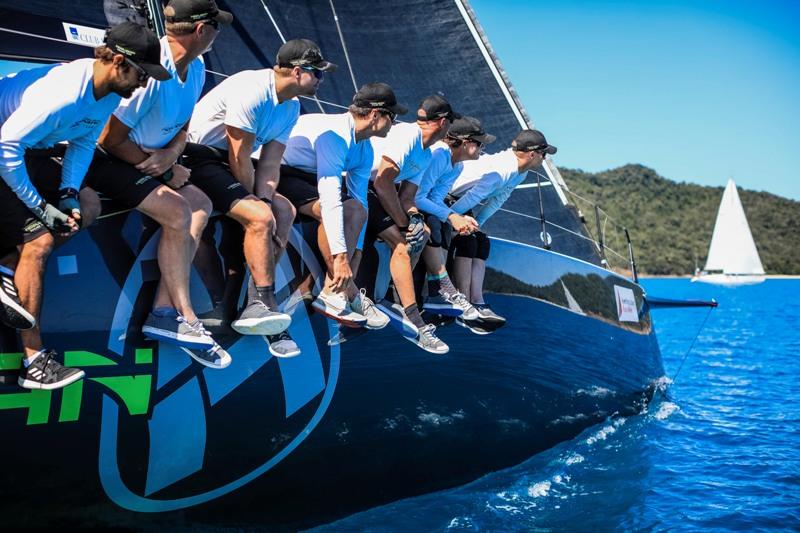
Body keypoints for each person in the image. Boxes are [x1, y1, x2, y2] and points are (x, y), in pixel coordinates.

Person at [0, 22, 167, 389]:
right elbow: (6, 148)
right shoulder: (63, 94)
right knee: (39, 241)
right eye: (142, 74)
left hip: (29, 149)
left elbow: (83, 144)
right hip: (5, 147)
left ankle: (8, 271)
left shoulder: (108, 93)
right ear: (120, 63)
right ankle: (35, 362)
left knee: (86, 208)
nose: (144, 84)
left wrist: (68, 194)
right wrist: (42, 210)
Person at [83, 0, 233, 369]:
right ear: (202, 31)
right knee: (179, 210)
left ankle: (165, 311)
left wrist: (172, 155)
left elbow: (183, 126)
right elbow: (108, 138)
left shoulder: (195, 68)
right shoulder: (153, 67)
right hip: (108, 159)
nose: (218, 34)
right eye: (217, 27)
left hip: (155, 159)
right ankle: (185, 316)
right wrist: (165, 172)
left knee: (201, 204)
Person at [186, 39, 336, 357]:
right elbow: (239, 157)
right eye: (318, 74)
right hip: (200, 157)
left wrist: (266, 198)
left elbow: (269, 163)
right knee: (260, 217)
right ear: (297, 71)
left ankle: (258, 302)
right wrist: (257, 204)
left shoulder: (291, 107)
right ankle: (260, 304)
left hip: (230, 163)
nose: (322, 81)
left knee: (284, 209)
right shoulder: (252, 88)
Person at [278, 83, 405, 330]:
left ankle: (333, 292)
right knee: (337, 209)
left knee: (356, 209)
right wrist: (340, 259)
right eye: (393, 116)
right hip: (283, 172)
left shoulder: (364, 148)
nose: (394, 124)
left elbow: (360, 203)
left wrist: (356, 253)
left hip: (310, 176)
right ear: (375, 115)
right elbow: (330, 200)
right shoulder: (335, 134)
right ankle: (344, 292)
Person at [365, 95, 458, 354]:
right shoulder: (408, 135)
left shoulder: (426, 153)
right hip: (361, 185)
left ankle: (394, 300)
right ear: (442, 122)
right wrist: (405, 223)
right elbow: (382, 183)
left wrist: (415, 219)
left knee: (423, 232)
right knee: (402, 243)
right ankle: (413, 317)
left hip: (382, 191)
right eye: (450, 123)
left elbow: (407, 197)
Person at [448, 129, 557, 332]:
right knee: (467, 240)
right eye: (544, 153)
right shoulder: (502, 169)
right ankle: (462, 306)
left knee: (481, 241)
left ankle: (478, 302)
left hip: (461, 203)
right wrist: (451, 219)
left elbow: (498, 199)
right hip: (449, 199)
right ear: (533, 154)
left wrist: (477, 223)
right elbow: (473, 196)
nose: (545, 158)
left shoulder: (520, 173)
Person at [415, 116, 494, 321]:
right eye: (479, 144)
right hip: (404, 198)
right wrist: (452, 216)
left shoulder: (457, 166)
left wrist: (458, 218)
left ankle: (438, 295)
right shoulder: (439, 155)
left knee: (443, 224)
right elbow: (418, 196)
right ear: (466, 143)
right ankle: (442, 290)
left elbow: (436, 198)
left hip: (421, 202)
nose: (482, 148)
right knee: (435, 223)